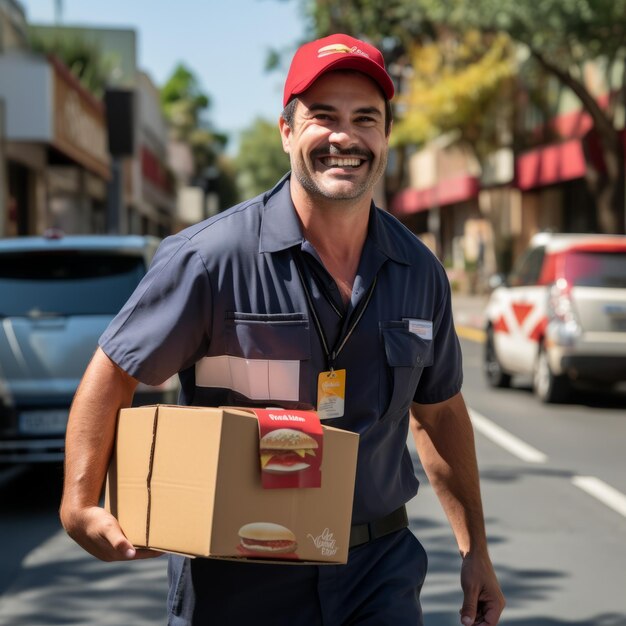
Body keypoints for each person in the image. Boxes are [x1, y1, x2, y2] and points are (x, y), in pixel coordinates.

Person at [60, 33, 505, 626]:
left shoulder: (419, 272)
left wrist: (475, 549)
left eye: (365, 119)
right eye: (323, 117)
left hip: (378, 571)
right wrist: (78, 504)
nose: (344, 137)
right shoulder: (209, 260)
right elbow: (113, 373)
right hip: (239, 576)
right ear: (287, 131)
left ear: (386, 138)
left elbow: (441, 413)